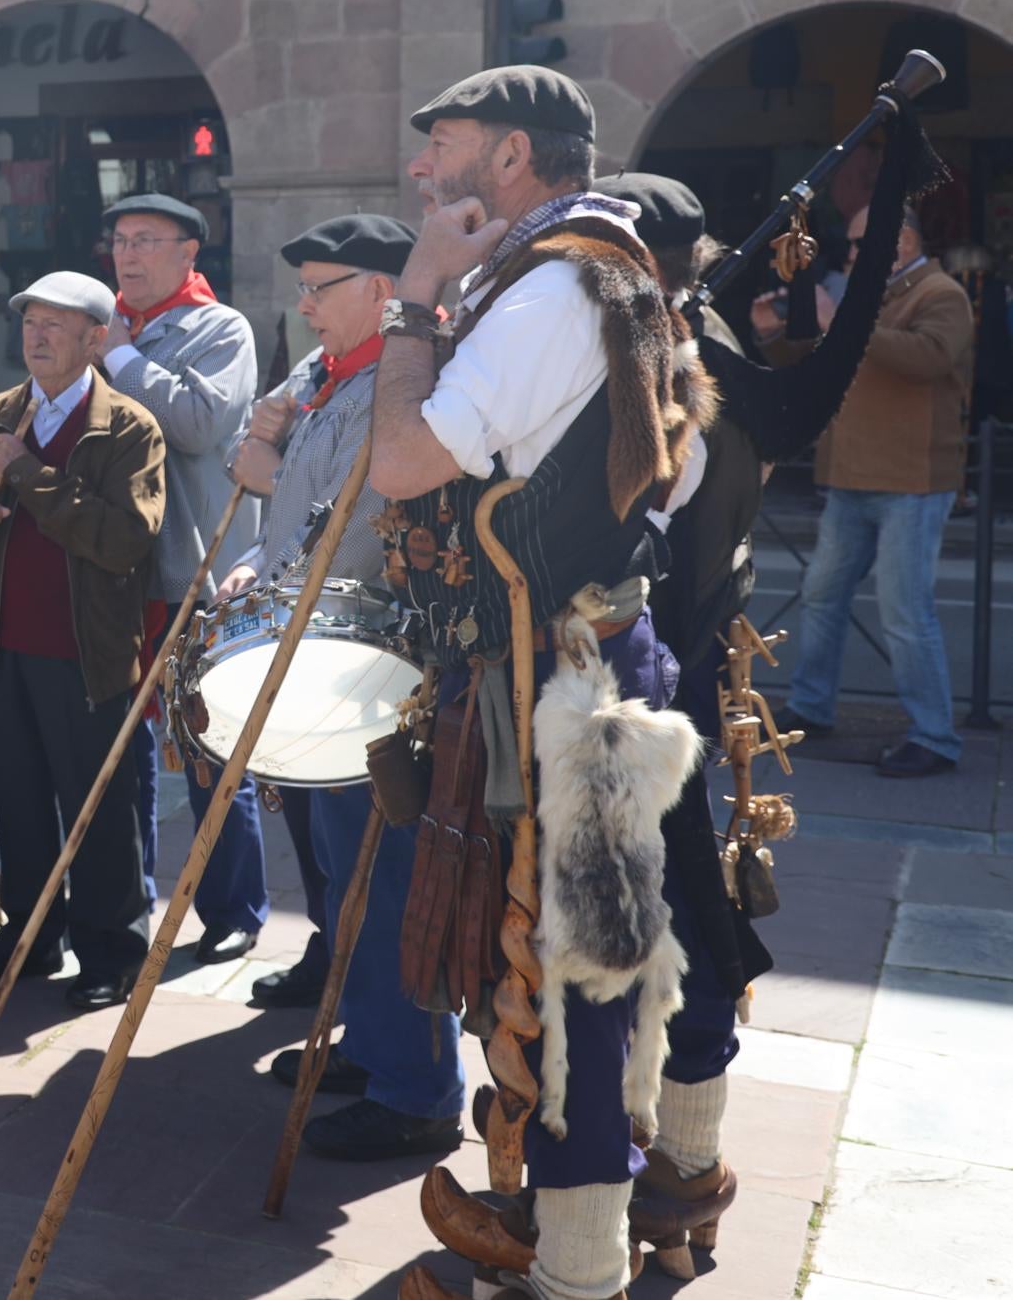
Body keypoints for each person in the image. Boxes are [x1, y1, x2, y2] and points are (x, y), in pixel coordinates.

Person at [374, 70, 713, 1300]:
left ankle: (572, 1272)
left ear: (513, 153)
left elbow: (405, 459)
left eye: (446, 144)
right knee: (592, 965)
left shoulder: (555, 284)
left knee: (572, 983)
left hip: (559, 678)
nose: (425, 173)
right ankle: (601, 1216)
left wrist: (412, 302)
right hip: (596, 655)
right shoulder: (613, 270)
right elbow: (674, 478)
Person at [219, 214, 467, 1161]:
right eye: (306, 288)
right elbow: (297, 518)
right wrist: (257, 555)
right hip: (320, 654)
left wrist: (265, 466)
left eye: (323, 287)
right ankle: (372, 1045)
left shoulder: (399, 384)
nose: (306, 305)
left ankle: (418, 1090)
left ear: (378, 290)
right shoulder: (325, 380)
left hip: (374, 660)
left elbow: (360, 524)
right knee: (340, 866)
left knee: (385, 873)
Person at [0, 271, 167, 1011]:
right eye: (30, 321)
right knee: (24, 804)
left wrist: (30, 475)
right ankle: (28, 937)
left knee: (99, 808)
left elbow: (124, 539)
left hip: (89, 652)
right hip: (4, 645)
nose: (36, 336)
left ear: (97, 339)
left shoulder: (129, 426)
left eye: (56, 325)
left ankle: (112, 951)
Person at [99, 192, 264, 962]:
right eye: (120, 240)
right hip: (114, 571)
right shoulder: (105, 327)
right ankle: (124, 906)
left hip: (195, 571)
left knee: (209, 749)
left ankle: (234, 910)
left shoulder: (217, 328)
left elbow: (200, 424)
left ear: (188, 252)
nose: (128, 255)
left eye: (146, 240)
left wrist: (121, 359)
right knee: (119, 748)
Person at [755, 201, 973, 777]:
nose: (850, 255)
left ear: (897, 241)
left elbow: (927, 358)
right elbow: (815, 359)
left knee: (906, 612)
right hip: (851, 477)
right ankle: (811, 706)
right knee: (823, 594)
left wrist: (841, 323)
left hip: (911, 481)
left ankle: (935, 735)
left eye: (858, 244)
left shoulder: (941, 295)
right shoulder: (865, 297)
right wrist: (773, 333)